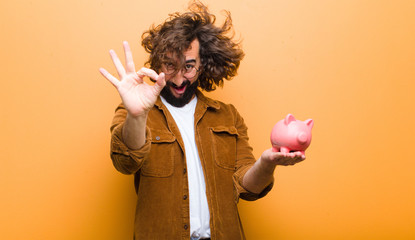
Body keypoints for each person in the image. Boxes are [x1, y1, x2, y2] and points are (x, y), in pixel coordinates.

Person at [99, 2, 305, 239]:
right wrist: (137, 115)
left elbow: (248, 188)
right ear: (157, 63)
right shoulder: (135, 111)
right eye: (170, 65)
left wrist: (267, 163)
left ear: (202, 64)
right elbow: (125, 162)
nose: (178, 79)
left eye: (188, 66)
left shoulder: (228, 116)